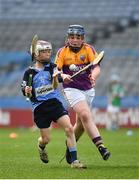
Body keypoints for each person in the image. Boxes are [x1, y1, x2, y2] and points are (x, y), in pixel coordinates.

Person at [21, 38, 86, 168]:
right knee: (46, 139)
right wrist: (27, 90)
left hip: (55, 103)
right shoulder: (29, 73)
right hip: (40, 108)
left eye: (49, 51)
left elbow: (59, 76)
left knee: (69, 128)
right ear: (36, 54)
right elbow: (26, 92)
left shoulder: (52, 67)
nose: (48, 54)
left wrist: (64, 77)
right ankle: (41, 146)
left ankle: (74, 161)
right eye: (44, 52)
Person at [55, 25, 111, 164]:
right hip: (71, 89)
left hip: (88, 89)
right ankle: (101, 146)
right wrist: (63, 76)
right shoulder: (62, 52)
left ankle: (70, 147)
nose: (75, 40)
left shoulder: (89, 49)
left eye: (78, 37)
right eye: (72, 37)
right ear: (68, 38)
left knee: (80, 124)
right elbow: (56, 72)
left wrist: (93, 76)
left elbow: (96, 66)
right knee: (86, 115)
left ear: (83, 38)